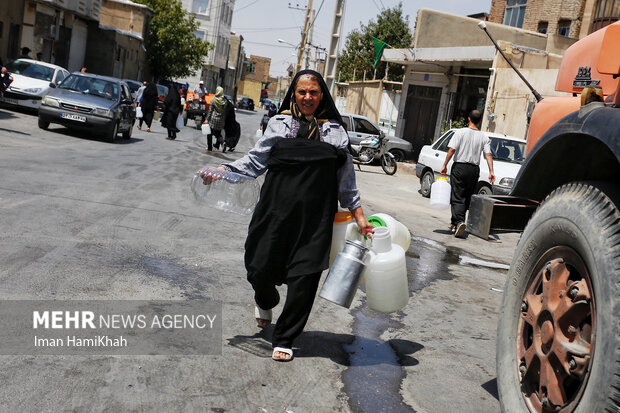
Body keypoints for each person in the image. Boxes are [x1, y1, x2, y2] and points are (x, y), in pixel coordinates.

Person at [214, 69, 373, 362]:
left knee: (305, 277)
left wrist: (359, 215)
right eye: (302, 92)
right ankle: (266, 300)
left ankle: (285, 336)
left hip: (315, 220)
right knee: (258, 266)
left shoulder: (336, 133)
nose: (308, 97)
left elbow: (346, 182)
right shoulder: (278, 125)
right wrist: (223, 171)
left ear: (322, 94)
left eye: (313, 92)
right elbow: (254, 162)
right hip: (274, 213)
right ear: (294, 94)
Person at [440, 109, 495, 238]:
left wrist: (444, 165)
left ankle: (459, 222)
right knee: (466, 196)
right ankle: (455, 223)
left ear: (469, 119)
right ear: (480, 121)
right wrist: (491, 171)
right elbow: (488, 154)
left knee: (457, 196)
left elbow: (452, 149)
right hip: (474, 170)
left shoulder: (460, 133)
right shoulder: (484, 137)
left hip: (460, 167)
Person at [203, 86, 227, 151]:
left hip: (213, 120)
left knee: (209, 133)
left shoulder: (214, 100)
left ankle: (209, 147)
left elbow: (210, 111)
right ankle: (222, 142)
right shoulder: (224, 101)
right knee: (218, 134)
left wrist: (207, 119)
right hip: (221, 120)